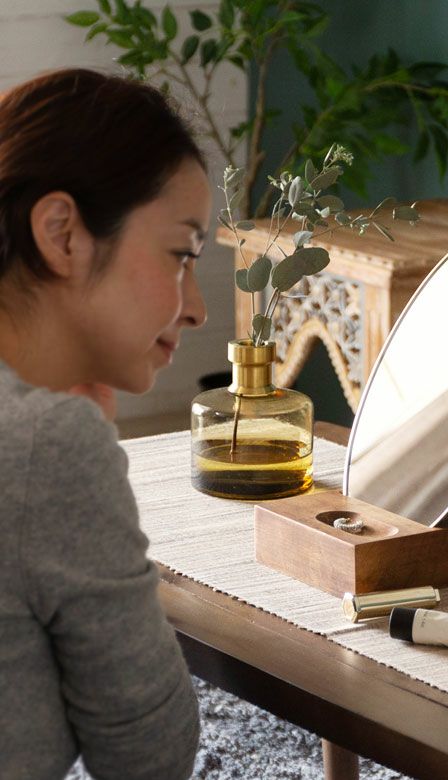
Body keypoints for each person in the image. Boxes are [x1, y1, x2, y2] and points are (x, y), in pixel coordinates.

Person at [0, 69, 209, 779]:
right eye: (182, 255)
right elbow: (149, 759)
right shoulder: (47, 444)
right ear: (63, 234)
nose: (197, 308)